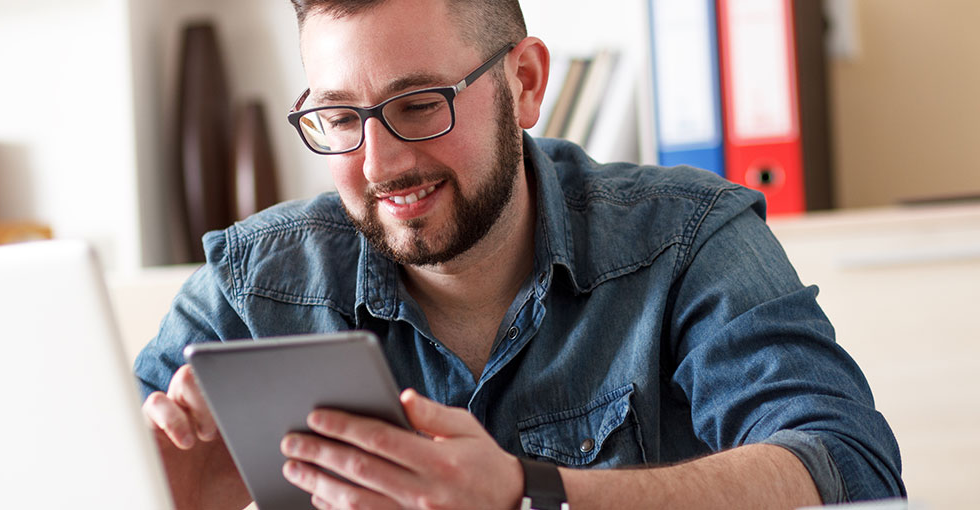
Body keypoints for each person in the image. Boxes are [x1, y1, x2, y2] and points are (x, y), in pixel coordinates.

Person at [134, 0, 905, 508]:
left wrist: (530, 494)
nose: (378, 165)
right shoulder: (253, 284)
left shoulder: (686, 235)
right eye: (340, 116)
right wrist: (158, 493)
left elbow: (853, 469)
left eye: (418, 105)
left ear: (526, 82)